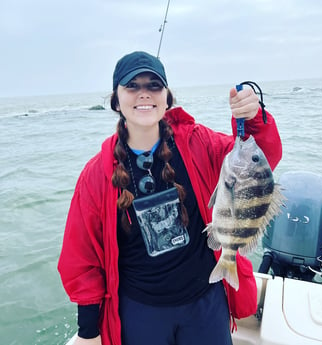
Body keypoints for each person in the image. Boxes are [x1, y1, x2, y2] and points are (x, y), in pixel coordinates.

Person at [58, 51, 282, 345]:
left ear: (167, 97)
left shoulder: (198, 142)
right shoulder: (95, 175)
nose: (144, 94)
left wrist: (253, 120)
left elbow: (260, 164)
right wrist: (88, 331)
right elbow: (82, 256)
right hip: (140, 310)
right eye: (132, 86)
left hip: (205, 300)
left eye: (154, 85)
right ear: (116, 100)